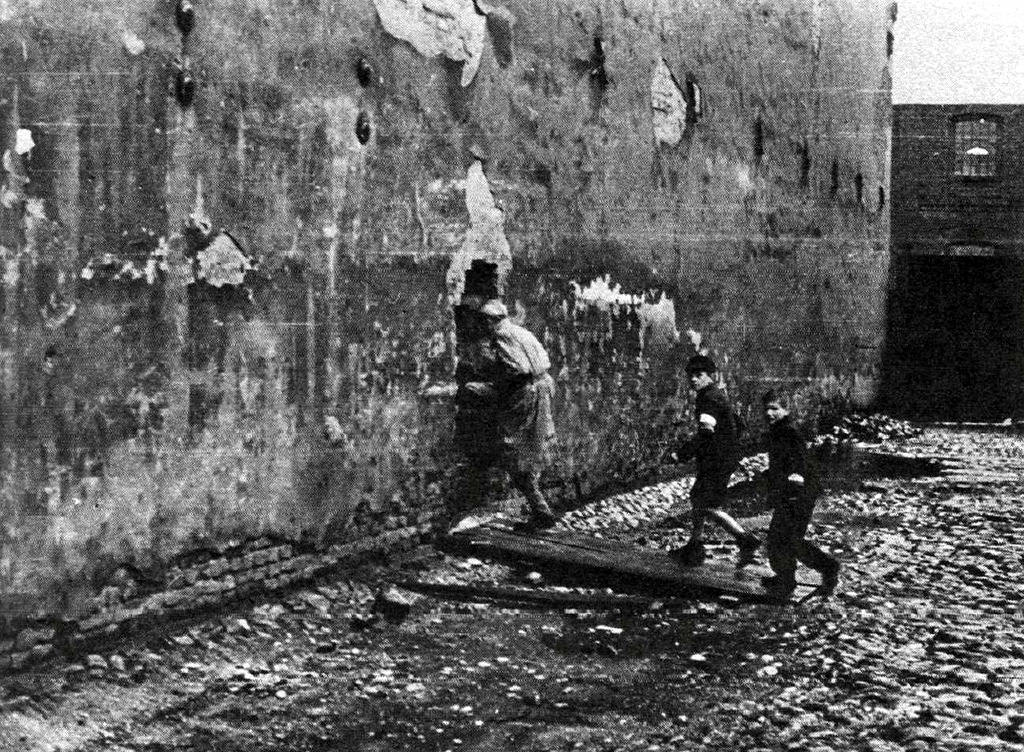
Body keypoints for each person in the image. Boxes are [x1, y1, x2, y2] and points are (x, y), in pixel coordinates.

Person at [452, 298, 559, 530]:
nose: (482, 326)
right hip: (541, 388)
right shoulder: (521, 332)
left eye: (484, 321)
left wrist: (486, 387)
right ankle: (540, 508)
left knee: (514, 450)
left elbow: (516, 372)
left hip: (526, 394)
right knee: (531, 446)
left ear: (491, 320)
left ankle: (540, 509)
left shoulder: (501, 336)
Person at [669, 354, 760, 566]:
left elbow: (706, 432)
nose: (693, 380)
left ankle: (744, 538)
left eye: (698, 375)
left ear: (709, 376)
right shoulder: (716, 395)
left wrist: (683, 453)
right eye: (690, 375)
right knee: (698, 498)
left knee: (707, 504)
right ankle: (695, 545)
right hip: (720, 457)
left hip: (717, 460)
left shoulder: (709, 399)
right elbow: (739, 425)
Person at [758, 390, 840, 596]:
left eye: (774, 408)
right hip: (792, 492)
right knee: (783, 538)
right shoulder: (778, 431)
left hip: (799, 493)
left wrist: (797, 475)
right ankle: (787, 577)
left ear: (786, 410)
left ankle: (824, 568)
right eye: (766, 408)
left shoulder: (789, 432)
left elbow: (800, 459)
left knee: (785, 539)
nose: (769, 413)